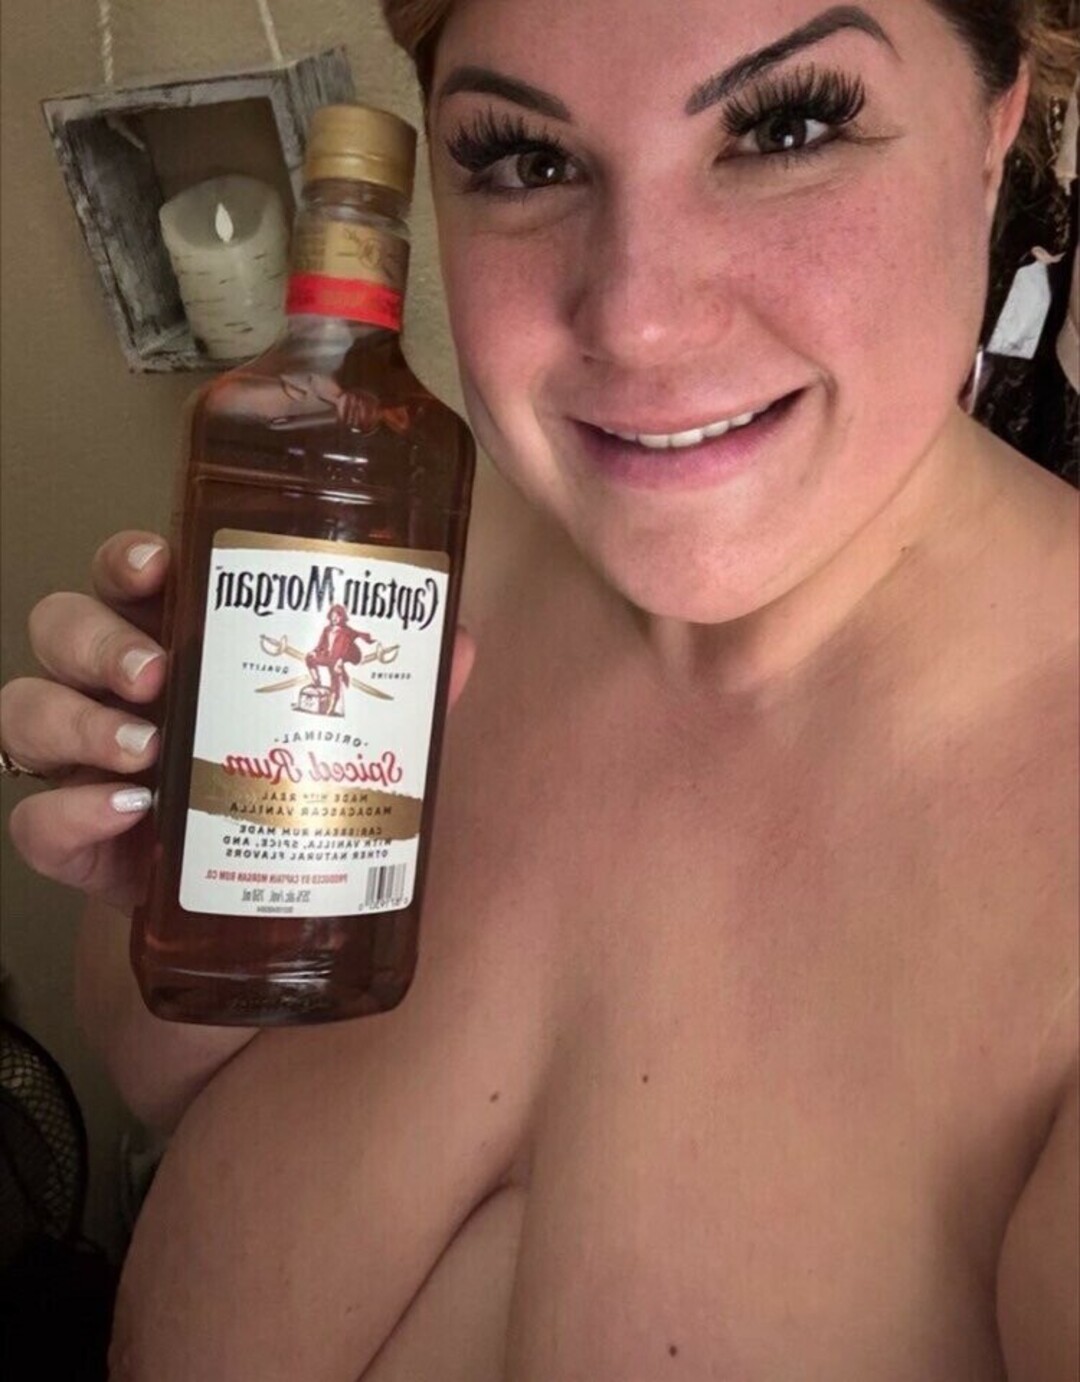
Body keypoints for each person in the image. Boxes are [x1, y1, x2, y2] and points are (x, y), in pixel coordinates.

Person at [2, 1, 1077, 1376]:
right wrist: (177, 896)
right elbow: (153, 1070)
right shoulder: (388, 571)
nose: (636, 319)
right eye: (526, 158)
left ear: (995, 128)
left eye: (787, 128)